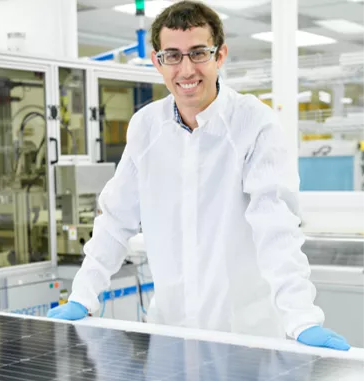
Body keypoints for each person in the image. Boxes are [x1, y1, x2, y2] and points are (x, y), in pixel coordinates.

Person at [48, 0, 350, 351]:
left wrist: (301, 318)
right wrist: (83, 295)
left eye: (198, 53)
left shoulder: (254, 123)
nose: (186, 69)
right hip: (170, 332)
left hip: (245, 334)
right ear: (157, 61)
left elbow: (276, 228)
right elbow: (115, 220)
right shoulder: (146, 127)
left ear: (220, 56)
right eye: (172, 55)